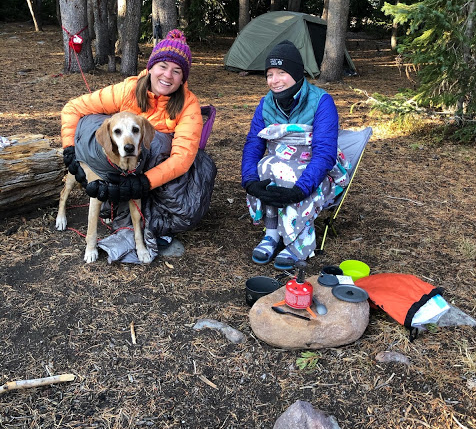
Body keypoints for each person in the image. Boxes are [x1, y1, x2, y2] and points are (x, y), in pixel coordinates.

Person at [61, 29, 216, 258]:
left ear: (183, 78)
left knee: (162, 146)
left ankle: (154, 224)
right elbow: (73, 107)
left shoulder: (188, 106)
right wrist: (70, 151)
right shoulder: (128, 90)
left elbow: (182, 158)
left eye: (177, 71)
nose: (168, 76)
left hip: (155, 170)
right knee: (102, 128)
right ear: (151, 67)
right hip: (121, 164)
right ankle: (118, 209)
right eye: (162, 66)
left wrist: (143, 182)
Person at [241, 40, 350, 270]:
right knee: (266, 166)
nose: (274, 80)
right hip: (280, 165)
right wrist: (250, 182)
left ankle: (297, 242)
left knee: (291, 173)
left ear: (297, 73)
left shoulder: (321, 101)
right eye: (269, 74)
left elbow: (324, 153)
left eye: (281, 72)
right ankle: (272, 233)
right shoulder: (265, 104)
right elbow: (253, 144)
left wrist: (300, 189)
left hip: (315, 172)